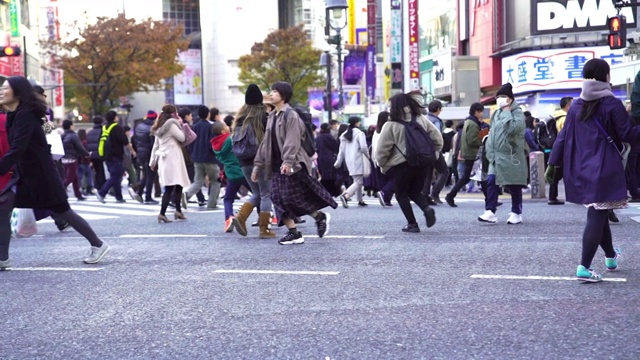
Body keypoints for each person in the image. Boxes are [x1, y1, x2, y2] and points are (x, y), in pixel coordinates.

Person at [0, 76, 110, 269]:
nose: (1, 91)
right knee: (3, 207)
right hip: (26, 173)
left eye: (5, 88)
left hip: (42, 173)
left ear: (19, 93)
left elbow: (21, 146)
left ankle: (98, 244)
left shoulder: (31, 114)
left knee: (63, 210)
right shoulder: (18, 114)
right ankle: (2, 258)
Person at [550, 59, 635, 283]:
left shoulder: (577, 104)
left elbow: (564, 137)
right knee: (597, 214)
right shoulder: (612, 104)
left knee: (600, 210)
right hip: (605, 168)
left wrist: (553, 164)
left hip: (581, 167)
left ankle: (610, 257)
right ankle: (584, 267)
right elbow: (628, 135)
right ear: (606, 77)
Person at [252, 81, 336, 245]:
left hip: (292, 165)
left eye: (275, 91)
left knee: (293, 199)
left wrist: (288, 161)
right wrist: (257, 166)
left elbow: (293, 139)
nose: (272, 93)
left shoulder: (291, 115)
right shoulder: (272, 117)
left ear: (283, 95)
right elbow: (265, 144)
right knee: (277, 198)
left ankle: (318, 218)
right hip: (276, 165)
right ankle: (295, 232)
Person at [375, 93, 442, 232]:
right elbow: (437, 138)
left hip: (402, 164)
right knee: (415, 191)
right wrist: (434, 153)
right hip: (423, 162)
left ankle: (412, 224)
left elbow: (382, 150)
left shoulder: (390, 124)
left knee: (401, 194)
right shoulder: (420, 118)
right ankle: (426, 208)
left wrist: (382, 165)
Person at [230, 84, 276, 238]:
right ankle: (264, 229)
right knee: (265, 194)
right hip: (260, 161)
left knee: (257, 192)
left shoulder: (239, 118)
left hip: (243, 161)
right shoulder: (263, 117)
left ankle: (241, 217)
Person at [479, 83, 528, 225]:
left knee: (514, 185)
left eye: (503, 96)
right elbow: (492, 133)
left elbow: (513, 128)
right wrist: (490, 151)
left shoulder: (517, 112)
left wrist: (507, 111)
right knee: (491, 182)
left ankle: (516, 212)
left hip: (511, 155)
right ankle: (490, 211)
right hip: (496, 156)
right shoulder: (496, 113)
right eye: (499, 96)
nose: (500, 99)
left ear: (510, 99)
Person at [150, 105, 190, 223]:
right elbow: (182, 138)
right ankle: (162, 213)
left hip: (164, 158)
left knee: (176, 184)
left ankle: (178, 211)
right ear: (173, 113)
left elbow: (155, 145)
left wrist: (153, 161)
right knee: (171, 186)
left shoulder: (159, 125)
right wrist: (181, 126)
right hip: (173, 157)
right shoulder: (172, 124)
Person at [210, 121, 251, 233]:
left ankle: (229, 218)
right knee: (258, 194)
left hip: (230, 173)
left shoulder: (215, 144)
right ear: (223, 131)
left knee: (228, 198)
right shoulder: (230, 139)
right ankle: (265, 217)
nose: (229, 127)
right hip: (242, 170)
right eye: (226, 126)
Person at [445, 103, 485, 207]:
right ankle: (450, 196)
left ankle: (490, 199)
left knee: (474, 176)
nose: (482, 114)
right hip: (472, 153)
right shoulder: (472, 124)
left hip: (469, 153)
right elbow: (472, 140)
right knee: (476, 176)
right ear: (476, 111)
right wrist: (483, 140)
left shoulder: (469, 121)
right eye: (481, 111)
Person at [182, 105, 221, 209]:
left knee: (198, 181)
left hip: (196, 157)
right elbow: (212, 143)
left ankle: (186, 195)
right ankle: (212, 204)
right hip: (209, 158)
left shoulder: (195, 126)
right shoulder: (211, 127)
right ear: (208, 114)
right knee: (215, 181)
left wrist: (193, 152)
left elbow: (191, 142)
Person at [95, 110, 136, 203]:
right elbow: (125, 141)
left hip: (106, 155)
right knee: (116, 175)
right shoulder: (117, 128)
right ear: (114, 117)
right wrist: (132, 151)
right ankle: (102, 192)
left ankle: (119, 196)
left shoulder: (104, 127)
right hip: (116, 155)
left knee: (116, 175)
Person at [335, 116, 369, 208]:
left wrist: (338, 162)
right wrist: (368, 156)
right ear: (356, 123)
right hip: (359, 160)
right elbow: (363, 147)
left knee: (356, 180)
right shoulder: (360, 133)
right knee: (359, 181)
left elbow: (341, 151)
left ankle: (360, 200)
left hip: (349, 161)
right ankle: (346, 196)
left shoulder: (344, 135)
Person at [548, 97, 573, 205]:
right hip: (564, 149)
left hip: (557, 148)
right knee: (564, 173)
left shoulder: (556, 116)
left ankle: (553, 196)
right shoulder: (565, 118)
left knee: (556, 174)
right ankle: (554, 197)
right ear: (567, 106)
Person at [424, 100, 449, 204]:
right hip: (434, 150)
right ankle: (435, 193)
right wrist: (438, 149)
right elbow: (437, 136)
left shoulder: (424, 119)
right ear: (438, 109)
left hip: (424, 150)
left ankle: (425, 195)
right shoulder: (436, 121)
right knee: (444, 171)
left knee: (428, 173)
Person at [132, 110, 159, 204]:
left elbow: (134, 140)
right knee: (151, 175)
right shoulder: (151, 128)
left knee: (146, 174)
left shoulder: (139, 126)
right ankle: (148, 197)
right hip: (149, 153)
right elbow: (153, 144)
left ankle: (139, 193)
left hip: (141, 153)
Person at [61, 120, 90, 201]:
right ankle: (59, 193)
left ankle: (78, 195)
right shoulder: (73, 135)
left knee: (75, 178)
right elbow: (79, 147)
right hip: (72, 159)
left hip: (64, 159)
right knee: (69, 178)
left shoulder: (62, 135)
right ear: (70, 126)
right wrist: (87, 154)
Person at [371, 111, 395, 206]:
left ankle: (386, 199)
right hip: (388, 158)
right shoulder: (387, 130)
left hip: (377, 159)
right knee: (394, 179)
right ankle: (384, 194)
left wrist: (374, 160)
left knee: (383, 179)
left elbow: (373, 147)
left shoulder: (376, 131)